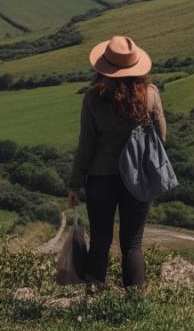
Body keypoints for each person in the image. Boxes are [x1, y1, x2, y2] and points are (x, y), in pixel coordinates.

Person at [67, 35, 166, 290]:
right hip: (139, 179)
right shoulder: (150, 96)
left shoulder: (93, 100)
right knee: (132, 243)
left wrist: (75, 184)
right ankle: (134, 301)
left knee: (100, 239)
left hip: (101, 178)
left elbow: (86, 145)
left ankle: (94, 295)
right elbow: (161, 138)